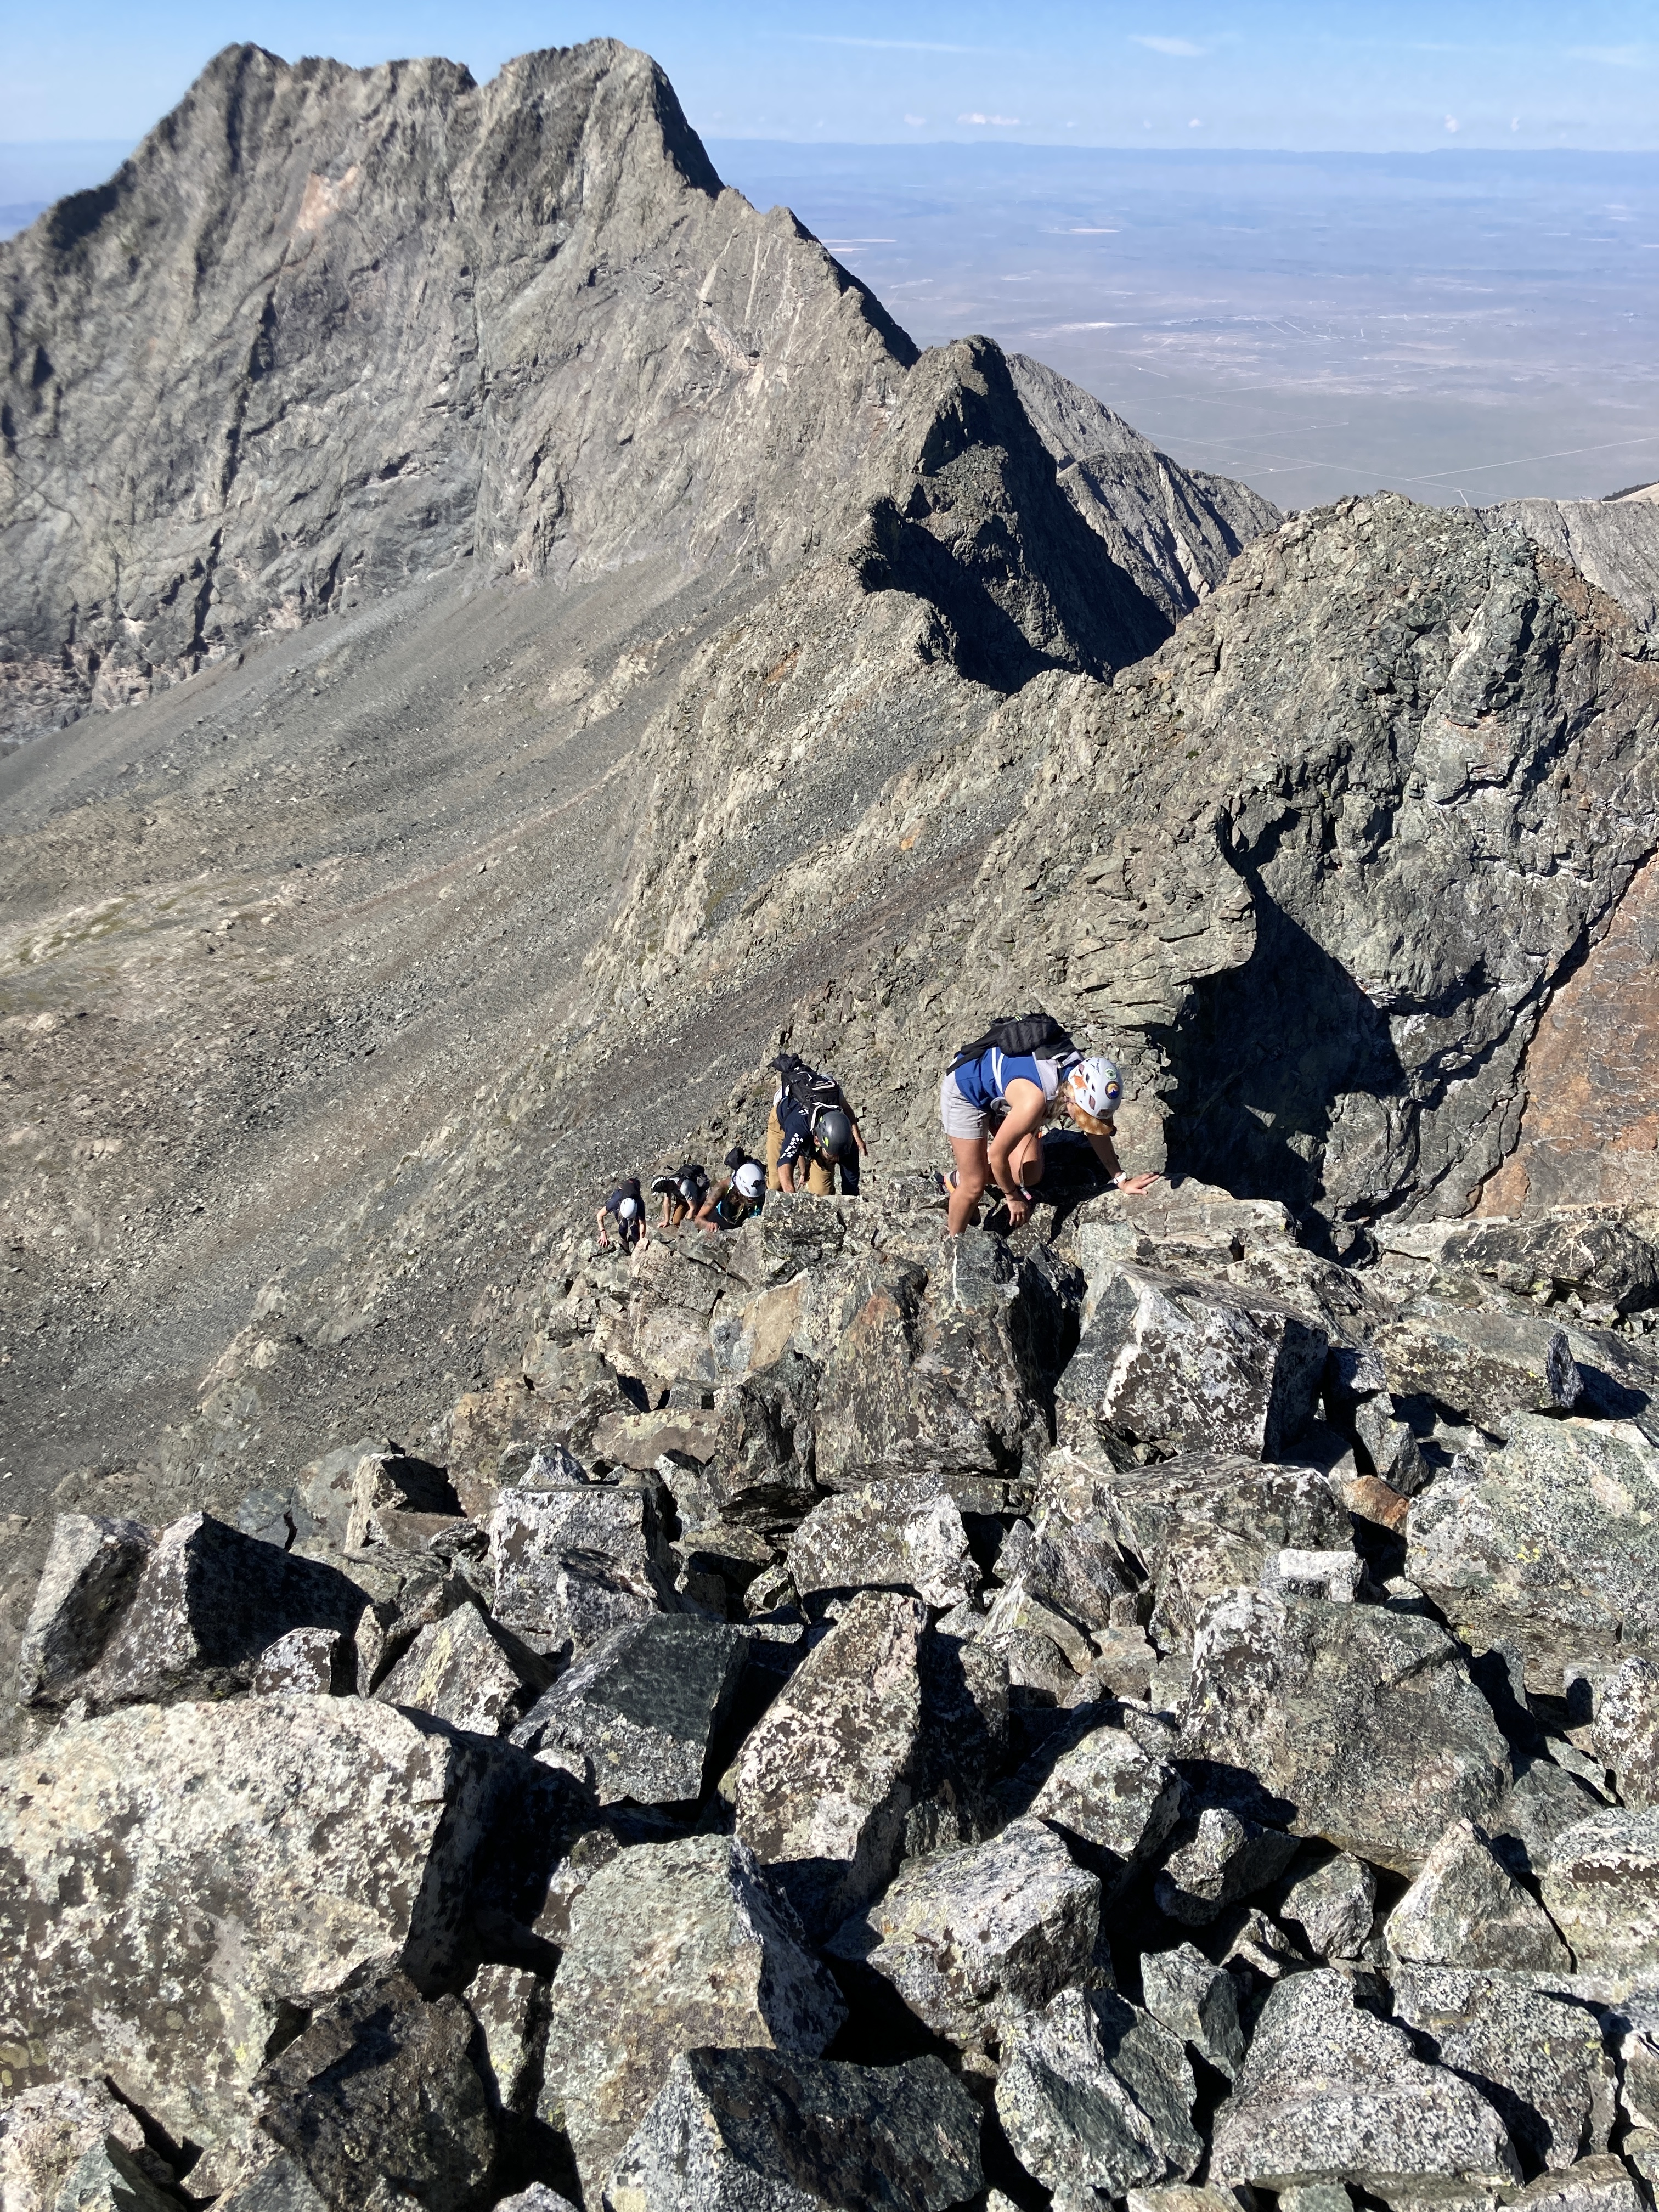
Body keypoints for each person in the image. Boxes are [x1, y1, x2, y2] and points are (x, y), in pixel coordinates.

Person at [939, 1034, 1159, 1236]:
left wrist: (1121, 1180)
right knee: (974, 1185)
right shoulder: (1034, 1103)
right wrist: (1012, 1196)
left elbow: (1096, 1132)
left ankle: (960, 1177)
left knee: (1030, 1174)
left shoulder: (1080, 1075)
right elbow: (998, 1156)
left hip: (1006, 1095)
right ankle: (954, 1248)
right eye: (1083, 1115)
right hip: (967, 1089)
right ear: (1072, 1098)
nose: (1083, 1123)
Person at [766, 1052, 868, 1196]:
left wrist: (858, 1138)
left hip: (815, 1132)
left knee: (822, 1192)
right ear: (817, 1141)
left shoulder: (846, 1143)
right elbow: (785, 1164)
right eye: (831, 1157)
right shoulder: (798, 1126)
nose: (837, 1160)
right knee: (777, 1185)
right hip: (782, 1122)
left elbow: (851, 1190)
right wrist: (792, 1202)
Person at [695, 1148, 768, 1234]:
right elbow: (698, 1220)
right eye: (748, 1198)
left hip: (741, 1230)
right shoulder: (722, 1188)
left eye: (755, 1198)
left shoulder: (762, 1192)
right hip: (717, 1223)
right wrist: (708, 1225)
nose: (753, 1201)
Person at [651, 1160, 709, 1231]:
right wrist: (666, 1221)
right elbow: (667, 1203)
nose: (663, 1192)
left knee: (698, 1223)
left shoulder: (684, 1187)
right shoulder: (668, 1185)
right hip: (684, 1200)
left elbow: (693, 1207)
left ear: (665, 1187)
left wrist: (686, 1225)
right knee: (676, 1222)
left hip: (697, 1200)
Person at [596, 1176, 646, 1251]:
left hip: (634, 1203)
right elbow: (599, 1215)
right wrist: (603, 1232)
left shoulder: (640, 1203)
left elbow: (642, 1224)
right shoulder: (615, 1202)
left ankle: (636, 1242)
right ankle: (623, 1239)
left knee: (635, 1227)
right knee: (623, 1226)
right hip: (620, 1202)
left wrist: (641, 1242)